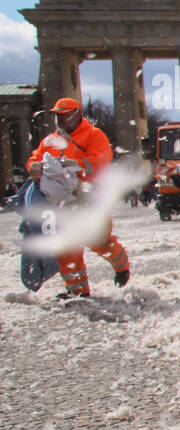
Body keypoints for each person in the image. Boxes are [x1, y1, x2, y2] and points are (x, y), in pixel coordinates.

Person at [25, 97, 130, 298]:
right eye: (58, 115)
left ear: (77, 114)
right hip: (61, 202)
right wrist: (33, 167)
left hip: (89, 196)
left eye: (64, 114)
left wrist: (71, 166)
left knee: (98, 241)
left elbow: (100, 161)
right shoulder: (49, 141)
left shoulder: (94, 135)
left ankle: (121, 266)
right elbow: (34, 159)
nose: (60, 119)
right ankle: (78, 292)